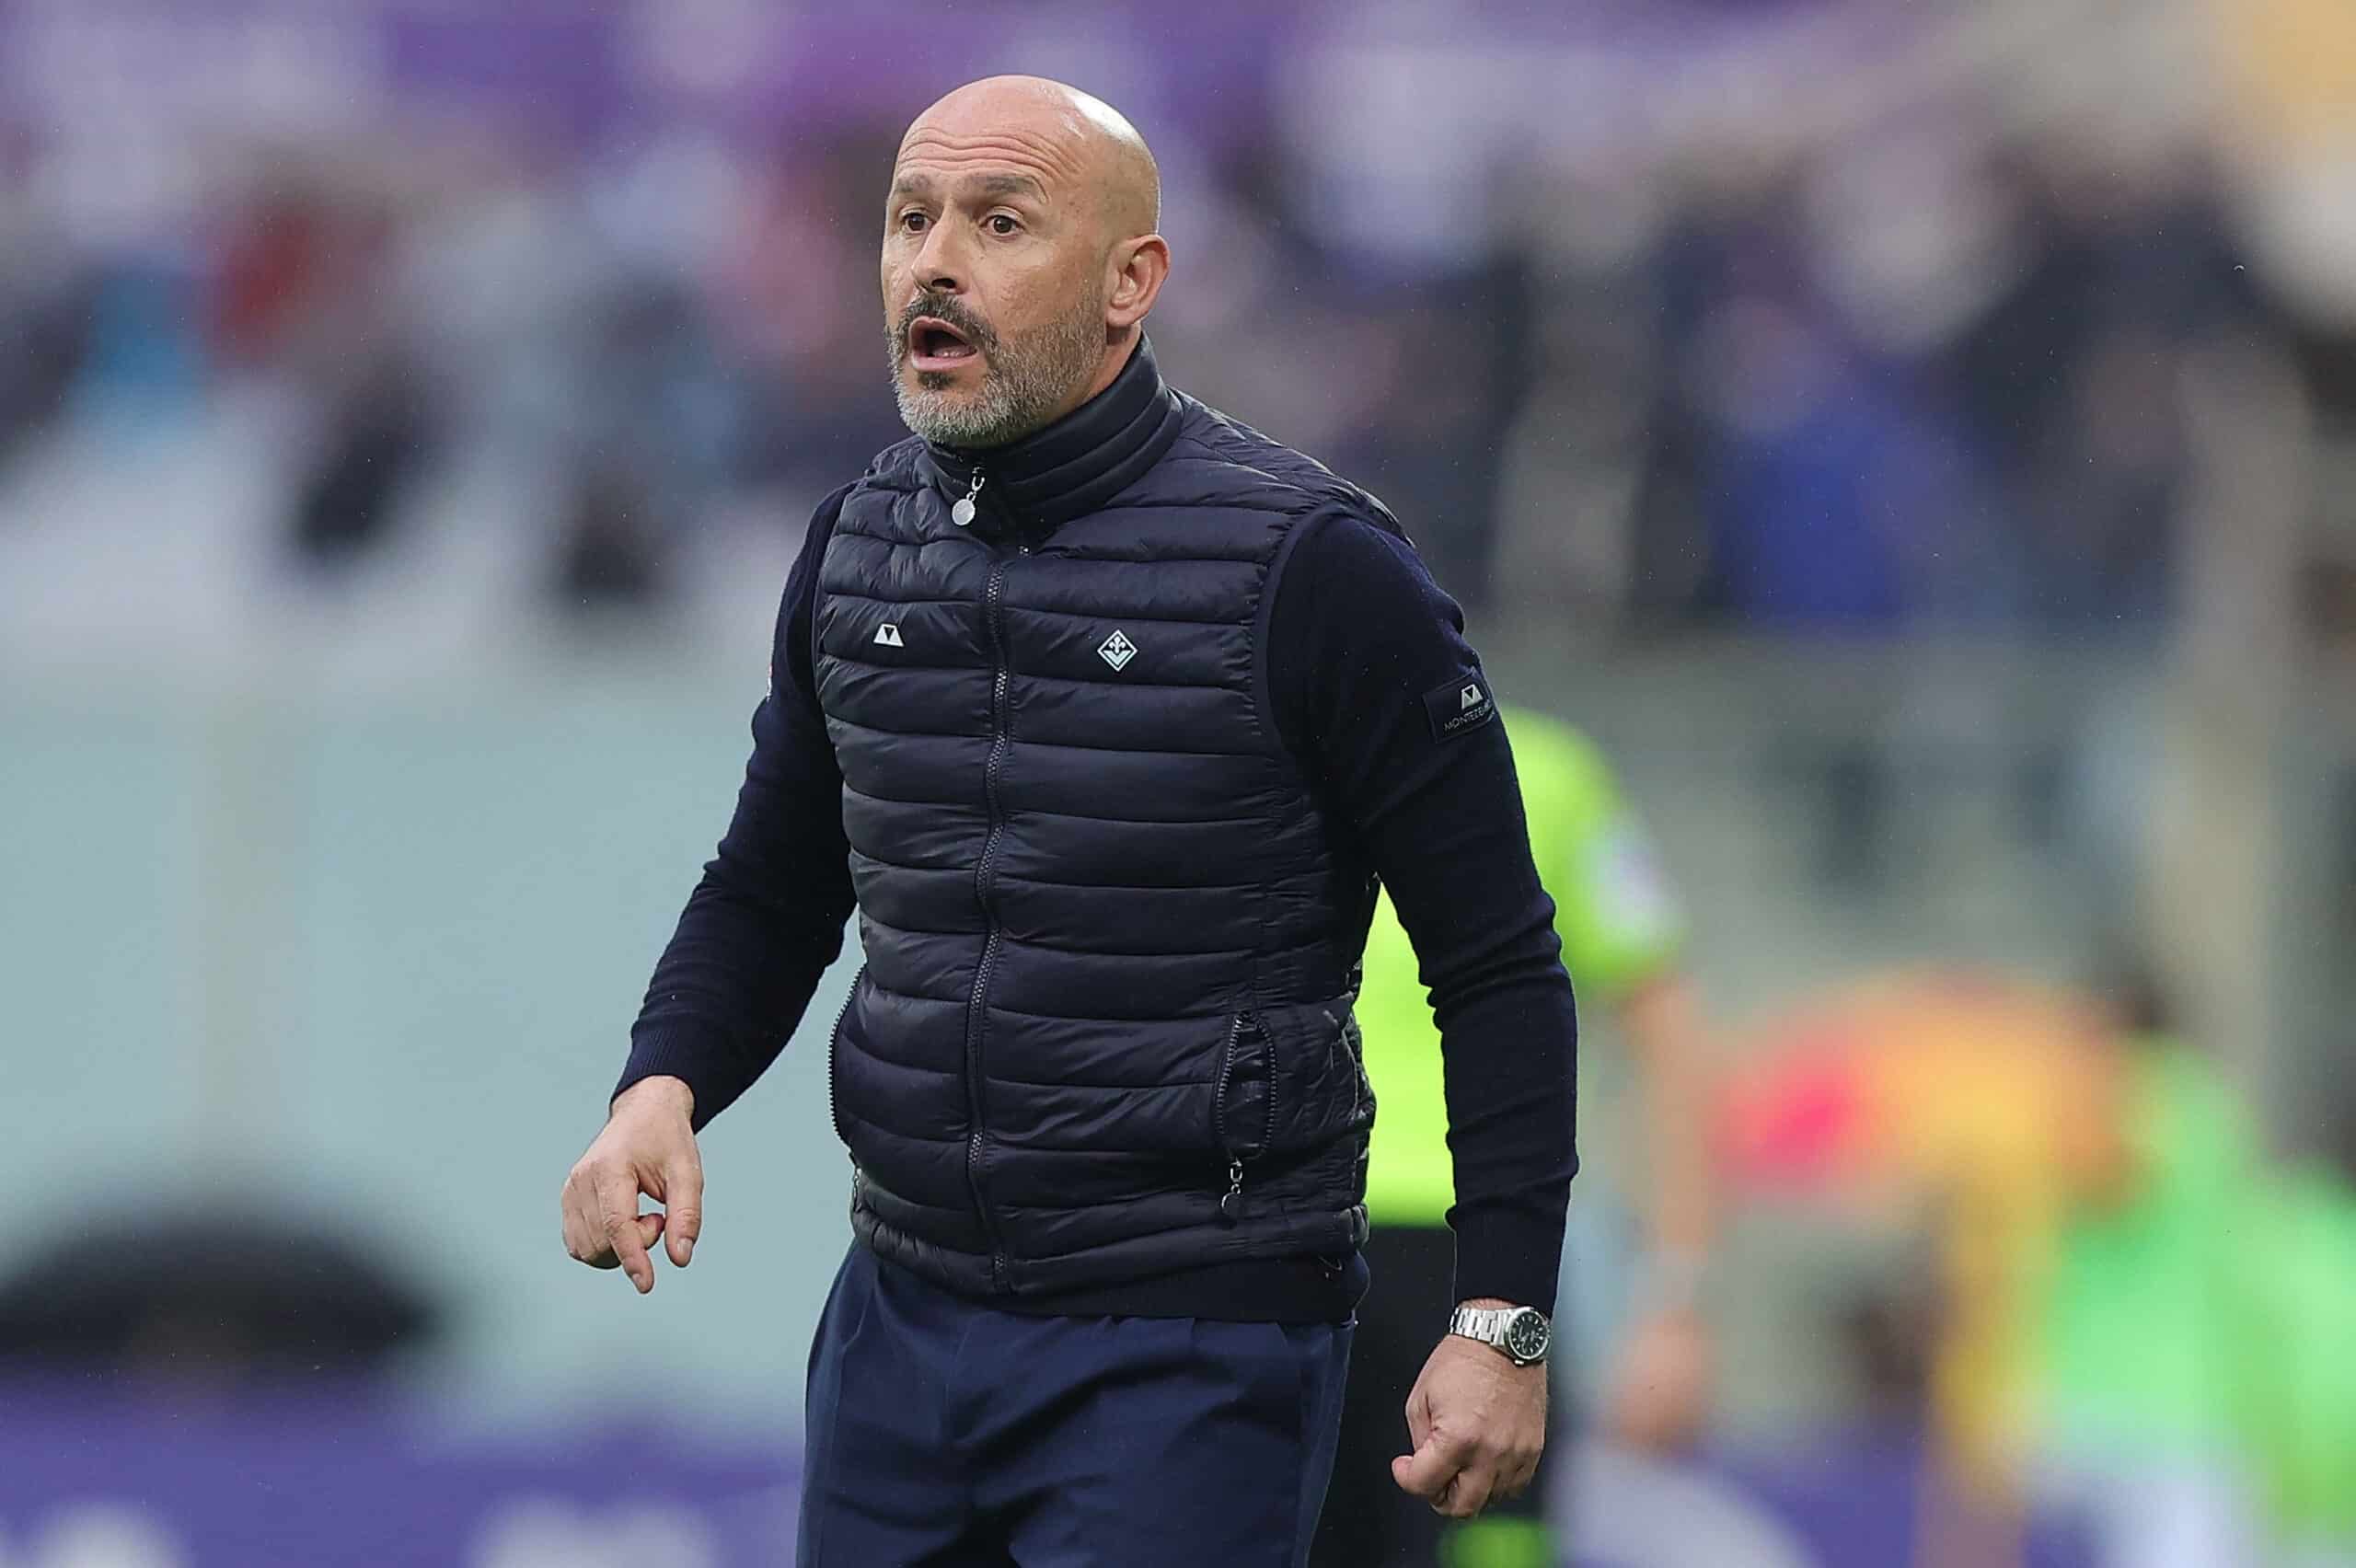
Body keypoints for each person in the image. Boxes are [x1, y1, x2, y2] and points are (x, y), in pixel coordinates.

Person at [556, 76, 1580, 1568]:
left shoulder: (1317, 569)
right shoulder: (855, 549)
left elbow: (1496, 963)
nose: (934, 262)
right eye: (910, 219)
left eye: (999, 223)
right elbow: (772, 885)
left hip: (1193, 1331)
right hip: (902, 1314)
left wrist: (1503, 1315)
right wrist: (661, 1084)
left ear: (1129, 282)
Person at [1314, 708, 1715, 1568]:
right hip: (1382, 1244)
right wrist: (1675, 1300)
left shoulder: (1549, 773)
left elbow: (1667, 1040)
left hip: (1453, 1256)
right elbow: (1671, 1042)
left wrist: (1673, 1301)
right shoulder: (1530, 766)